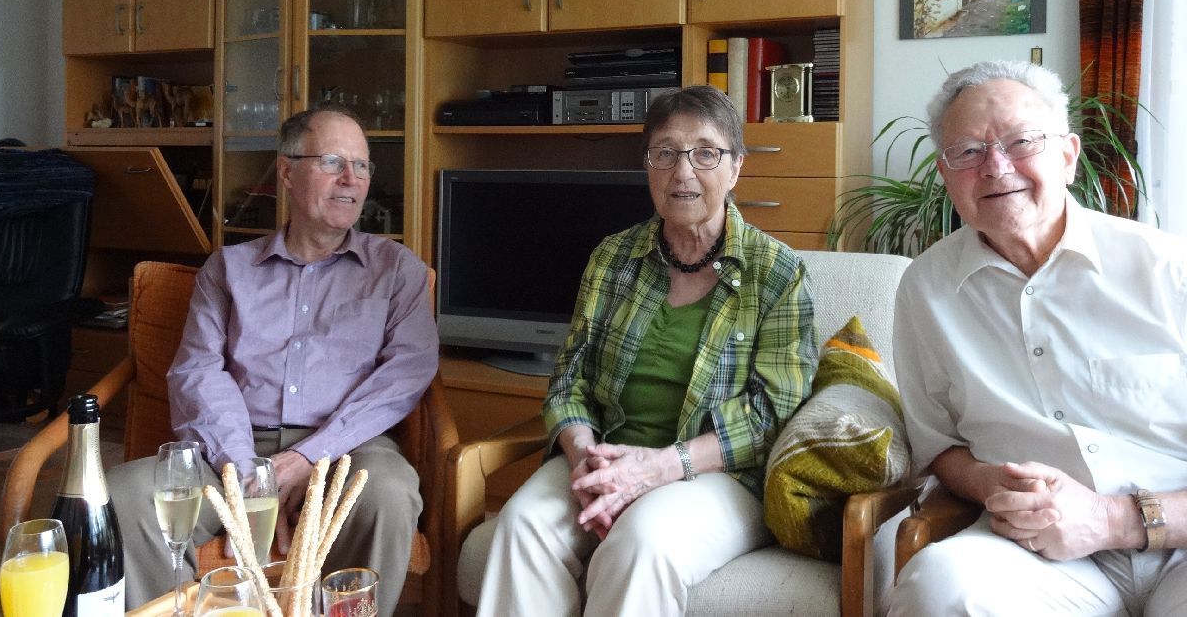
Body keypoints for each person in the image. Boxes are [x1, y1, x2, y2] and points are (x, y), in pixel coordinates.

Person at [477, 85, 817, 616]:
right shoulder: (613, 258)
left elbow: (773, 413)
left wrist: (660, 467)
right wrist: (587, 458)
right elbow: (569, 379)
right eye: (665, 152)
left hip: (717, 476)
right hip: (607, 452)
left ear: (736, 168)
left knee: (640, 543)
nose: (683, 171)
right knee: (521, 526)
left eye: (705, 153)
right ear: (647, 165)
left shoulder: (777, 273)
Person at [109, 106, 438, 610]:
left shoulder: (397, 271)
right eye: (333, 162)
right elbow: (198, 373)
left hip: (349, 449)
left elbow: (404, 376)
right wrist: (251, 476)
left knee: (388, 492)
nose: (351, 179)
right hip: (231, 448)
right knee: (125, 494)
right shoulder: (227, 269)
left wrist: (310, 458)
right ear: (286, 171)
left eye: (362, 165)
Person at [889, 60, 1187, 615]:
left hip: (1179, 542)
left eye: (1022, 142)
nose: (996, 167)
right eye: (968, 151)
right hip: (1036, 553)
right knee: (940, 588)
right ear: (946, 174)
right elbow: (938, 446)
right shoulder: (926, 289)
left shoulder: (1169, 270)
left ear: (1068, 157)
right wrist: (990, 483)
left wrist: (1112, 519)